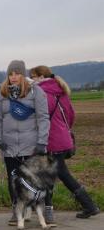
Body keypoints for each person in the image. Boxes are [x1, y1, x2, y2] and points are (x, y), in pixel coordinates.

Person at [30, 65, 99, 220]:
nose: (32, 79)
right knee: (58, 173)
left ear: (41, 77)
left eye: (33, 76)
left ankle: (88, 206)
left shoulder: (42, 93)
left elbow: (40, 118)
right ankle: (87, 205)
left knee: (55, 175)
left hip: (51, 139)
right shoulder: (61, 92)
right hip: (62, 138)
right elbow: (71, 115)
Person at [0, 60, 50, 226]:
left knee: (36, 180)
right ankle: (17, 210)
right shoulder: (2, 93)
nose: (13, 77)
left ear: (23, 74)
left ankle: (44, 210)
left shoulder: (36, 92)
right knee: (14, 181)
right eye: (10, 74)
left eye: (17, 73)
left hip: (31, 145)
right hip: (10, 147)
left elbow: (43, 117)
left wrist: (42, 141)